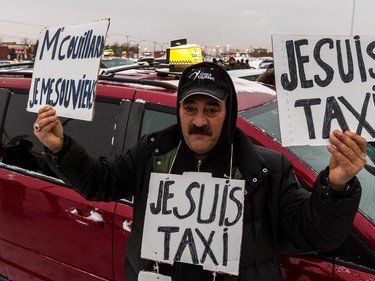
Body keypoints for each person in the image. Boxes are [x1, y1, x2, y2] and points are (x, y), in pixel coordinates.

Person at [33, 62, 367, 281]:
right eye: (190, 108)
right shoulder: (153, 153)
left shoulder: (265, 169)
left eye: (211, 109)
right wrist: (61, 149)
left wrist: (335, 187)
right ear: (179, 110)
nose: (199, 121)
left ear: (229, 111)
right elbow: (99, 183)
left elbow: (315, 235)